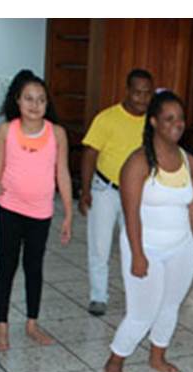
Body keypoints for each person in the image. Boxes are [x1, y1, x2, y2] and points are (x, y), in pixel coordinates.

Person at [103, 90, 193, 372]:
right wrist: (138, 254)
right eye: (169, 119)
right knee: (142, 311)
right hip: (144, 245)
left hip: (180, 246)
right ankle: (115, 360)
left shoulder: (190, 163)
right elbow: (131, 214)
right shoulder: (137, 163)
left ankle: (157, 356)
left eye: (180, 119)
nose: (177, 124)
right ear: (153, 122)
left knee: (170, 305)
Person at [0, 69, 72, 351]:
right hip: (9, 208)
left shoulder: (56, 134)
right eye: (29, 99)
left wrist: (68, 213)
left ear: (47, 104)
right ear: (17, 101)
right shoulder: (5, 131)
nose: (35, 105)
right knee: (6, 265)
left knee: (34, 268)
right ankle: (1, 327)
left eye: (41, 100)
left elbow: (63, 174)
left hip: (41, 212)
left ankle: (32, 324)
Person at [79, 68, 154, 316]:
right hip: (105, 189)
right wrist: (85, 189)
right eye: (137, 93)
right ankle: (98, 296)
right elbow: (90, 154)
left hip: (137, 193)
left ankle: (136, 295)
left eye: (147, 93)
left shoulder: (152, 122)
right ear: (127, 91)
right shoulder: (107, 118)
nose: (142, 99)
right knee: (100, 245)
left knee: (135, 244)